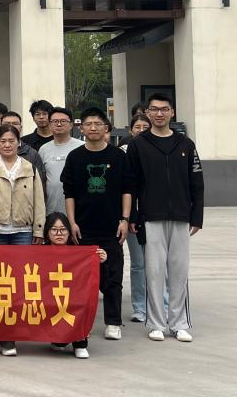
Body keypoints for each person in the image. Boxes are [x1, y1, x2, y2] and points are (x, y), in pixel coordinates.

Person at [127, 92, 204, 343]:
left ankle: (179, 323)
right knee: (154, 271)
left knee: (179, 271)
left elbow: (197, 182)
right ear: (147, 113)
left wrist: (197, 216)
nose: (159, 114)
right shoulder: (139, 144)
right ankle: (156, 323)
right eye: (154, 109)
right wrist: (133, 215)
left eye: (164, 109)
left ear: (172, 113)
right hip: (151, 216)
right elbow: (131, 184)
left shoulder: (185, 144)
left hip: (181, 216)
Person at [63, 106, 132, 341]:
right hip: (83, 227)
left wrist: (125, 219)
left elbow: (127, 189)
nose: (93, 128)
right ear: (81, 129)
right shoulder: (75, 157)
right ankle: (83, 321)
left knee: (112, 276)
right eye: (88, 124)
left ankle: (113, 321)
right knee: (82, 278)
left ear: (106, 128)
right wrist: (72, 222)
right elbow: (69, 192)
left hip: (112, 227)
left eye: (98, 124)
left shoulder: (118, 156)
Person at [43, 212, 108, 359]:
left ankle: (80, 343)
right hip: (49, 296)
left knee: (80, 304)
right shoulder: (39, 252)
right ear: (47, 233)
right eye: (54, 230)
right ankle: (58, 339)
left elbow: (97, 280)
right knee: (58, 343)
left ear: (69, 231)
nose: (59, 234)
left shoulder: (80, 252)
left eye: (63, 230)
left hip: (72, 296)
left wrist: (101, 262)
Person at [0, 124, 44, 245]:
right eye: (3, 141)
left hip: (23, 231)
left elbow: (39, 201)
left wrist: (39, 230)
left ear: (19, 142)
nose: (7, 145)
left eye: (11, 141)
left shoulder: (30, 168)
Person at [122, 112, 153, 322]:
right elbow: (125, 189)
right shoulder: (124, 152)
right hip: (132, 217)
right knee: (138, 263)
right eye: (137, 127)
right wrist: (128, 217)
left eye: (145, 127)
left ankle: (160, 305)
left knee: (158, 263)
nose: (141, 131)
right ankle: (140, 307)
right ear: (130, 130)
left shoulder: (158, 150)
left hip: (155, 215)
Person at [39, 107, 84, 215]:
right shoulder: (43, 149)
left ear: (71, 125)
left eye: (63, 121)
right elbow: (42, 181)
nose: (59, 124)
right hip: (52, 210)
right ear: (50, 125)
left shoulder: (82, 147)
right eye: (55, 121)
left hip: (79, 210)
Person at [0, 112, 47, 182]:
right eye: (7, 124)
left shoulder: (31, 154)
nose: (11, 127)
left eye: (15, 123)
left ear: (21, 128)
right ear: (0, 127)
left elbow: (39, 181)